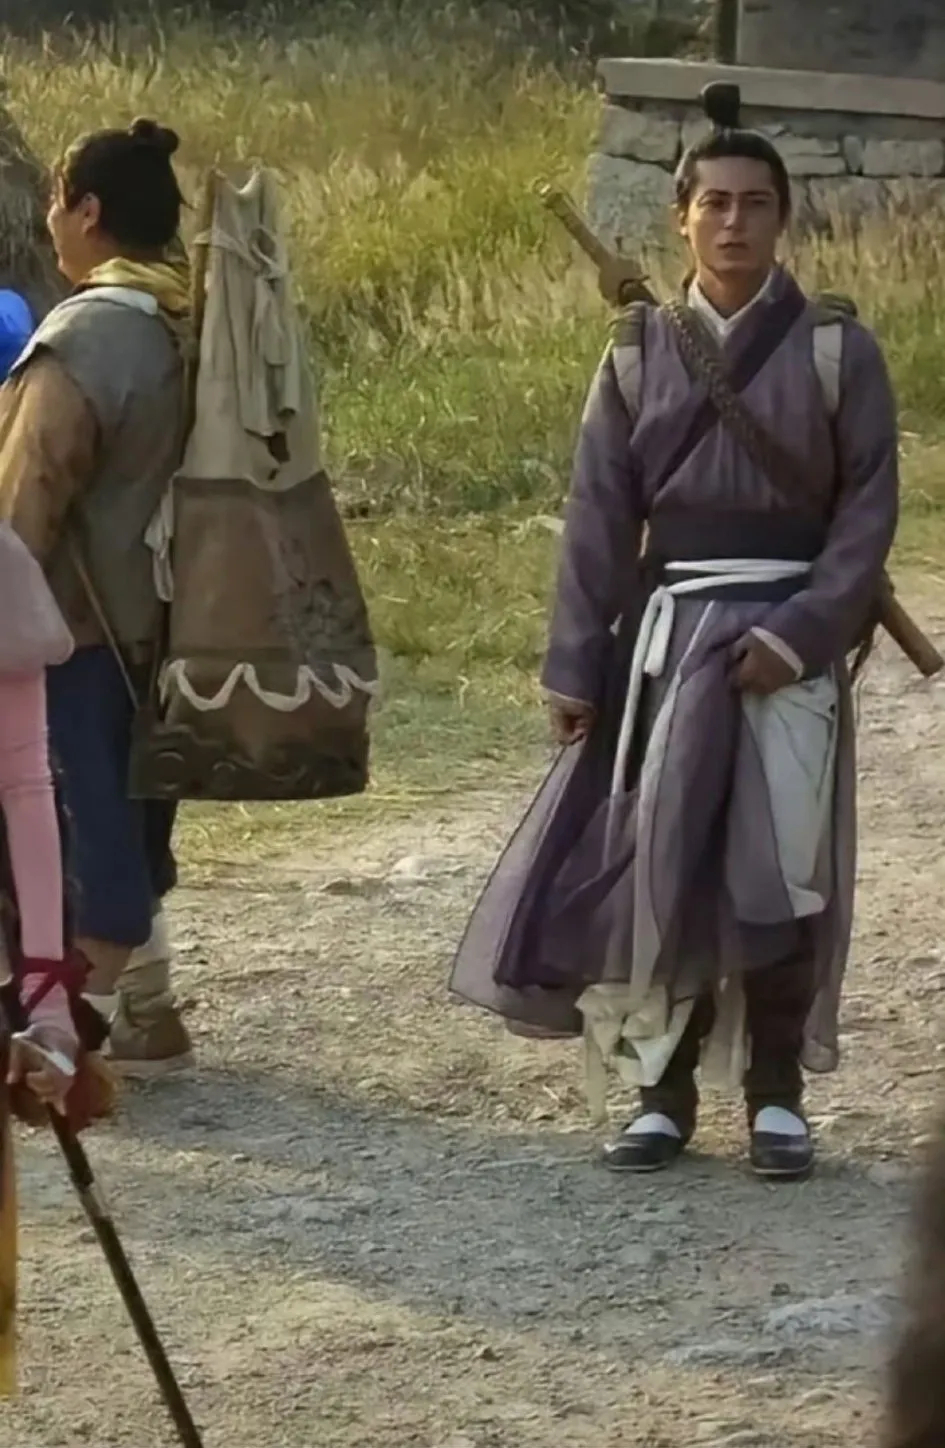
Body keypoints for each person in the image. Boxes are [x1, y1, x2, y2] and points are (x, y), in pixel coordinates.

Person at [450, 94, 899, 1180]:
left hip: (786, 646)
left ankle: (777, 1096)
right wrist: (575, 662)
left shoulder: (838, 349)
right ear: (681, 218)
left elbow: (866, 515)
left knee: (782, 865)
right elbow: (598, 517)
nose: (734, 222)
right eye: (715, 204)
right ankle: (663, 1091)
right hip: (667, 638)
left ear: (783, 217)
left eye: (755, 204)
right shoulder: (637, 352)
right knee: (666, 859)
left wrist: (799, 635)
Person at [0, 117, 194, 1077]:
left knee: (84, 829)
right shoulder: (191, 318)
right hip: (178, 623)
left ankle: (71, 1028)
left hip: (78, 629)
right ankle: (151, 1013)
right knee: (136, 809)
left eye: (56, 202)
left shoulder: (86, 336)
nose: (49, 221)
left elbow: (21, 504)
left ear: (87, 211)